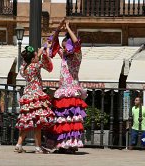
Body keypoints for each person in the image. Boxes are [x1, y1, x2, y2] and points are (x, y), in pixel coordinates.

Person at [46, 19, 87, 154]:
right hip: (62, 89)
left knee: (71, 119)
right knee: (61, 120)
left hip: (72, 89)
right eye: (63, 47)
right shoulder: (64, 56)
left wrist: (69, 28)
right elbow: (53, 45)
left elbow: (77, 43)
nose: (64, 49)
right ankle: (61, 144)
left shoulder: (77, 56)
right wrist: (58, 29)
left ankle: (71, 144)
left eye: (65, 46)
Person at [14, 45, 55, 153]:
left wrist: (38, 54)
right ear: (32, 59)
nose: (38, 57)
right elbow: (49, 67)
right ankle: (38, 147)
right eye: (36, 56)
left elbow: (26, 63)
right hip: (36, 95)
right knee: (38, 122)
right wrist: (43, 53)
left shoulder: (23, 68)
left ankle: (19, 144)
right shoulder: (35, 65)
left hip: (27, 95)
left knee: (27, 121)